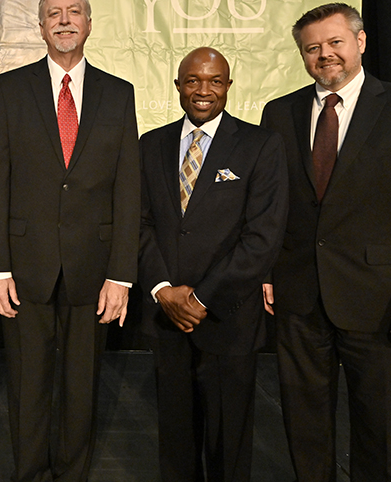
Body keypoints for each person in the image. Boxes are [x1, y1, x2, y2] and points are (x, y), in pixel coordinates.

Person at [260, 3, 391, 482]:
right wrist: (268, 271)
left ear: (361, 42)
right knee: (305, 431)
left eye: (335, 42)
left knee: (385, 435)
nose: (324, 54)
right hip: (299, 299)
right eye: (312, 48)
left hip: (386, 304)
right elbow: (270, 204)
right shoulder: (280, 112)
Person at [0, 0, 140, 482]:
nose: (65, 20)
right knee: (27, 385)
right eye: (54, 13)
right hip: (24, 268)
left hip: (94, 271)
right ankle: (29, 473)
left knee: (82, 384)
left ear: (89, 24)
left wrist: (122, 275)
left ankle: (72, 473)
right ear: (42, 25)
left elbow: (127, 189)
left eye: (74, 12)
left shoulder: (119, 93)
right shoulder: (11, 87)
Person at [139, 47, 288, 482]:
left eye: (215, 81)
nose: (203, 90)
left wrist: (202, 297)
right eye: (193, 80)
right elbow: (138, 224)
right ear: (178, 86)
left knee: (229, 444)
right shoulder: (151, 144)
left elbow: (262, 237)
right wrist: (163, 290)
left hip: (227, 317)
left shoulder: (260, 145)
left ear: (227, 85)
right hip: (167, 317)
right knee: (176, 442)